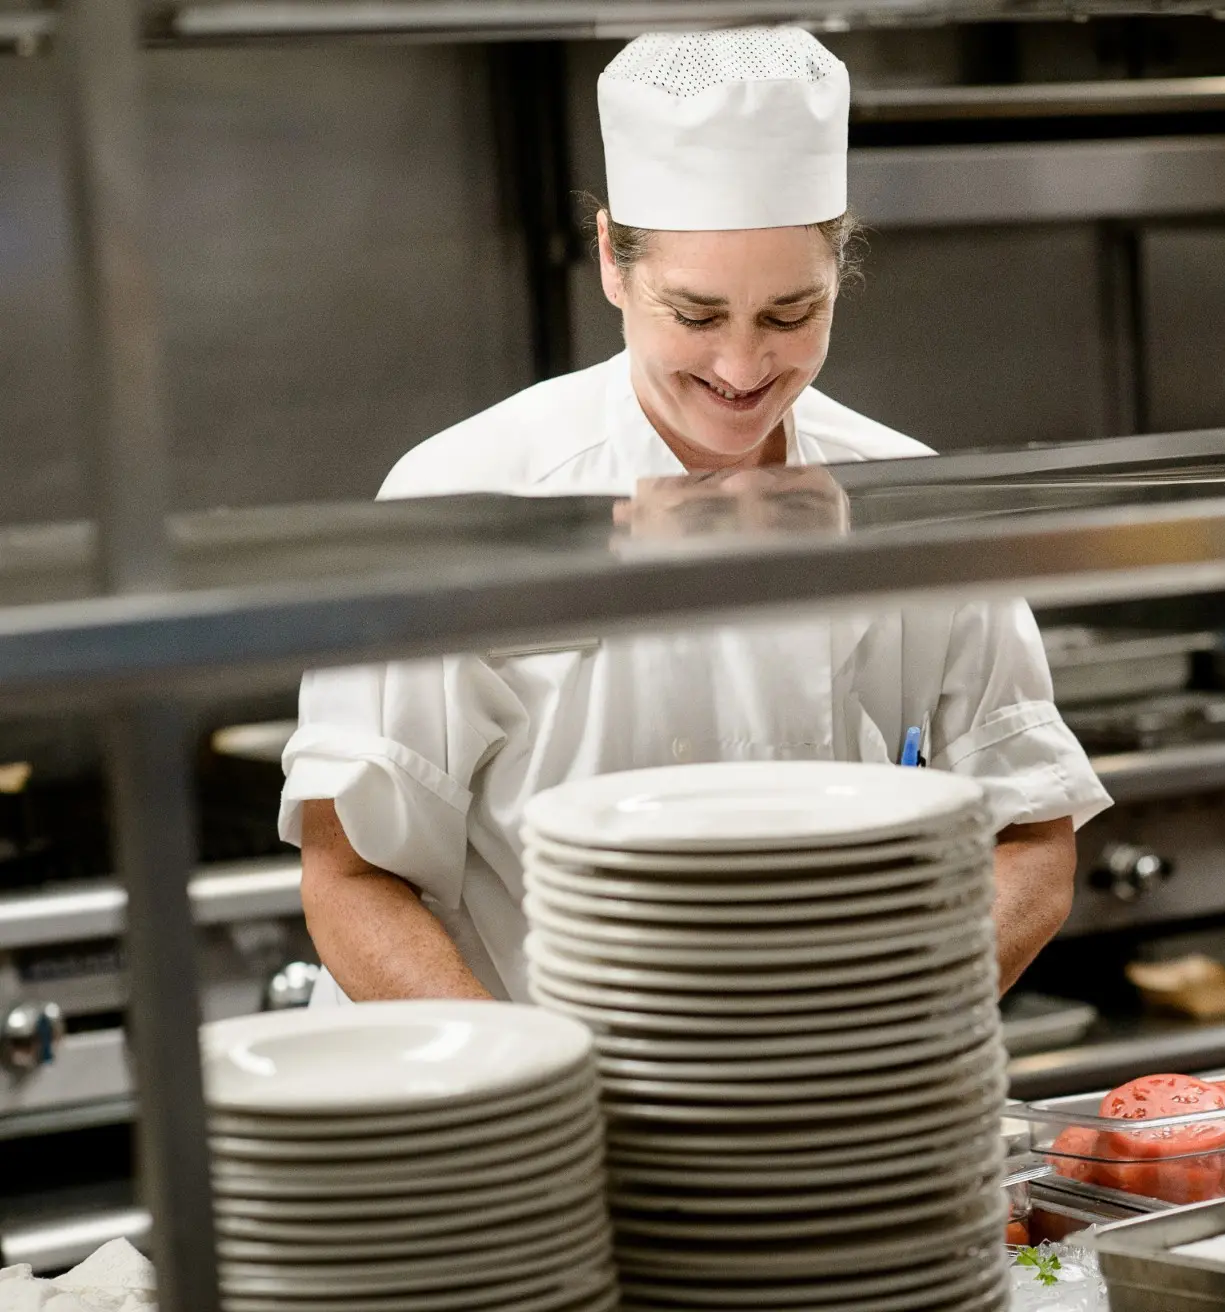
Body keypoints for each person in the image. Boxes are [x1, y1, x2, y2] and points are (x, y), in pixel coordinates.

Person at [279, 27, 1112, 1006]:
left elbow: (1033, 835)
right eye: (699, 315)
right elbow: (350, 879)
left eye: (792, 314)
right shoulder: (465, 495)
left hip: (825, 1117)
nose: (743, 368)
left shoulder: (900, 496)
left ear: (841, 272)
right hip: (528, 1112)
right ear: (613, 265)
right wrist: (530, 1095)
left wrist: (887, 1025)